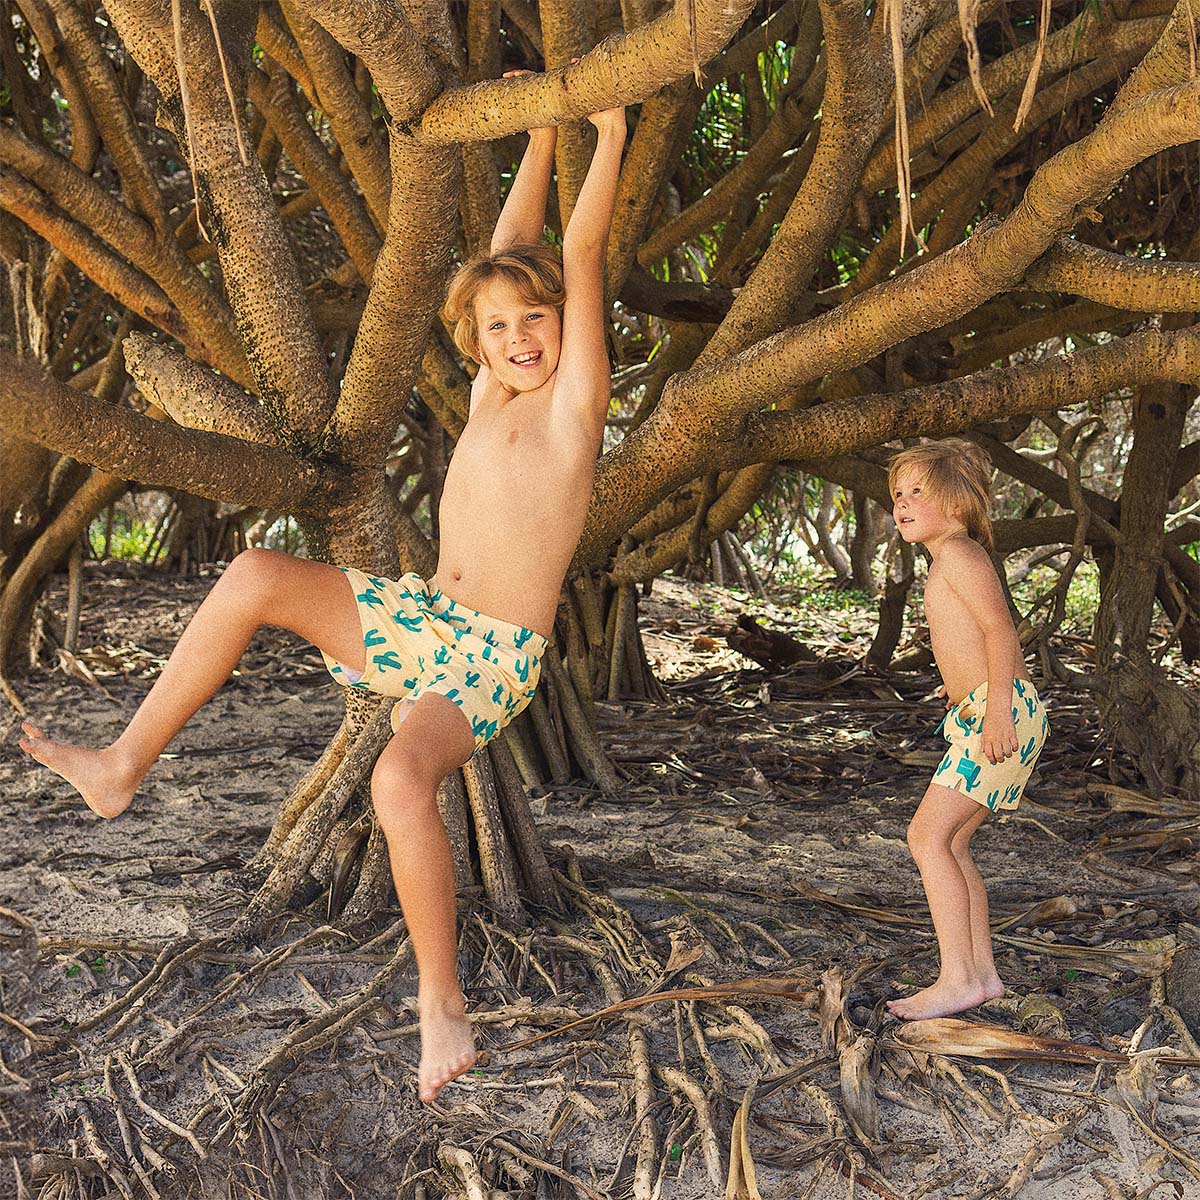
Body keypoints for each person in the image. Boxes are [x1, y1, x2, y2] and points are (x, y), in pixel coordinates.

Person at [18, 95, 626, 1101]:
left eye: (538, 321)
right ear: (475, 341)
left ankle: (442, 1005)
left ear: (566, 323)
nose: (520, 339)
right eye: (499, 327)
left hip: (489, 659)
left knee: (398, 783)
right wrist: (542, 133)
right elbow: (507, 248)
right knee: (254, 573)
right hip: (423, 615)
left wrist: (604, 134)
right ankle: (123, 763)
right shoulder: (492, 391)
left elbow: (578, 248)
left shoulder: (571, 409)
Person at [884, 438, 1049, 1020]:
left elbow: (1001, 632)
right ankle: (981, 975)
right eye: (897, 493)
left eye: (917, 492)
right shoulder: (949, 556)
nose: (902, 504)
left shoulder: (960, 553)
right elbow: (970, 641)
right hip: (985, 710)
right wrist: (964, 695)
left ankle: (956, 978)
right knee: (951, 843)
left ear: (956, 503)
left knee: (925, 838)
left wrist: (997, 707)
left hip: (1000, 714)